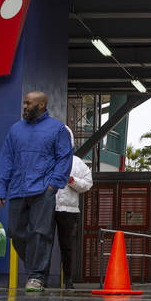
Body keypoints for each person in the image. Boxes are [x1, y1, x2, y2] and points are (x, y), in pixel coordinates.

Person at [0, 92, 72, 291]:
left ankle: (36, 276)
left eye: (29, 103)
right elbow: (6, 159)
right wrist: (0, 187)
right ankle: (34, 270)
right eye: (24, 103)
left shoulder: (57, 129)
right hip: (18, 189)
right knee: (16, 232)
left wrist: (53, 185)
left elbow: (64, 158)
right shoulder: (15, 130)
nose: (25, 107)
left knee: (40, 232)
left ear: (42, 104)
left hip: (43, 189)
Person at [54, 124, 92, 290]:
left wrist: (72, 181)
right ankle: (39, 277)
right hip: (47, 208)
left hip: (68, 211)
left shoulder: (78, 164)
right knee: (43, 243)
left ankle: (68, 280)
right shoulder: (48, 161)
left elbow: (88, 184)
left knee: (67, 246)